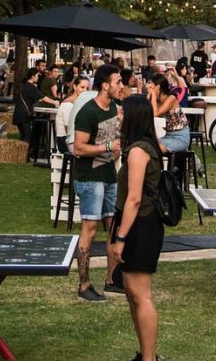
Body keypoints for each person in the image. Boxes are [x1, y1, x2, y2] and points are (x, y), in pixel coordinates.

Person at [110, 96, 164, 361]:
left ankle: (150, 358)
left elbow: (134, 198)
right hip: (135, 223)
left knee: (140, 294)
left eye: (121, 113)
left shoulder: (139, 151)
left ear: (133, 117)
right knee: (131, 292)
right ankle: (145, 354)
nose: (118, 117)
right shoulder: (137, 147)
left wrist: (120, 237)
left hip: (141, 225)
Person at [70, 67, 124, 302]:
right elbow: (79, 148)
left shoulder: (113, 108)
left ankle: (111, 280)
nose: (121, 85)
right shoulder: (87, 112)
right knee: (90, 229)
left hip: (109, 174)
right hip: (90, 177)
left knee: (113, 225)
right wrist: (107, 148)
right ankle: (84, 285)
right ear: (105, 85)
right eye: (117, 82)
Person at [149, 76, 190, 153]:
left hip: (180, 138)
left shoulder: (171, 99)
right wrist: (149, 95)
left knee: (155, 149)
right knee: (147, 145)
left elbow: (155, 113)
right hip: (167, 136)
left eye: (152, 86)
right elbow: (146, 111)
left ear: (158, 87)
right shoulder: (157, 102)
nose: (150, 88)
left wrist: (153, 94)